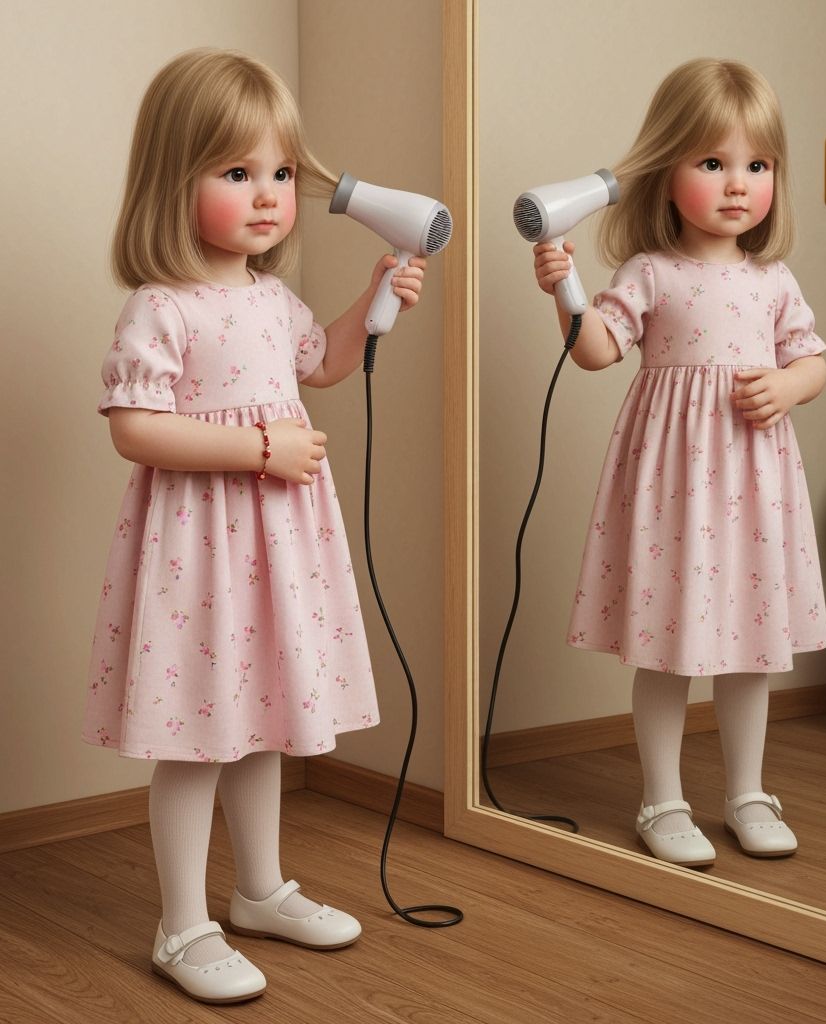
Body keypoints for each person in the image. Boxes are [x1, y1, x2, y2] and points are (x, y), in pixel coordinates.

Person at [82, 48, 426, 1003]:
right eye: (238, 173)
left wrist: (374, 302)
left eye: (278, 173)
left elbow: (320, 365)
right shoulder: (162, 306)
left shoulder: (271, 299)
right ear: (173, 182)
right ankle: (182, 925)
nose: (270, 195)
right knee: (198, 733)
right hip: (200, 549)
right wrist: (257, 454)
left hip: (276, 549)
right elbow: (136, 427)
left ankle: (262, 889)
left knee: (262, 717)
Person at [532, 58, 826, 867]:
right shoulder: (651, 273)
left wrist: (788, 386)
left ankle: (747, 792)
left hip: (753, 484)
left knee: (750, 646)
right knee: (666, 643)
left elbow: (813, 361)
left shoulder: (772, 279)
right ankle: (661, 801)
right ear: (664, 174)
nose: (738, 185)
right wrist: (566, 290)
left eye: (756, 166)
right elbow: (596, 351)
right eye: (712, 163)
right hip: (673, 486)